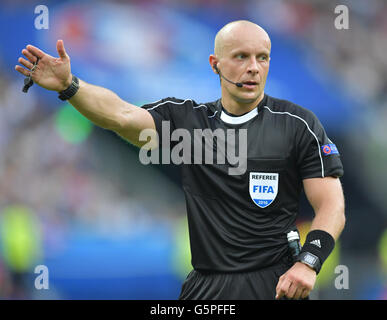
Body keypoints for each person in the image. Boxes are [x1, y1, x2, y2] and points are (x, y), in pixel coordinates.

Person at [15, 20, 345, 300]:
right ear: (215, 63)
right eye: (241, 56)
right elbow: (121, 114)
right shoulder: (190, 122)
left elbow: (331, 205)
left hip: (273, 285)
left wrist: (308, 261)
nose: (253, 67)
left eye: (262, 57)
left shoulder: (296, 124)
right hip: (206, 288)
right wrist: (70, 86)